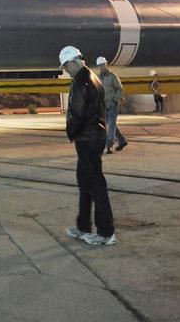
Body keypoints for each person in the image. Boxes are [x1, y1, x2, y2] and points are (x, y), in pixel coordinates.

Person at [59, 45, 116, 246]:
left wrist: (71, 133)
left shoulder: (81, 82)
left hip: (88, 138)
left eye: (66, 66)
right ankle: (83, 226)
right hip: (93, 136)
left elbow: (77, 113)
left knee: (95, 184)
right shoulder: (92, 77)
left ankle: (106, 232)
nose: (65, 70)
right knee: (85, 182)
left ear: (74, 61)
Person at [95, 56, 127, 153]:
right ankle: (122, 140)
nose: (101, 67)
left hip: (113, 104)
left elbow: (119, 89)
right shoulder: (98, 78)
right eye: (99, 66)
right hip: (104, 105)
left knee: (111, 124)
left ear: (106, 64)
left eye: (103, 65)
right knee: (110, 124)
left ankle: (108, 144)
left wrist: (115, 100)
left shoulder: (112, 76)